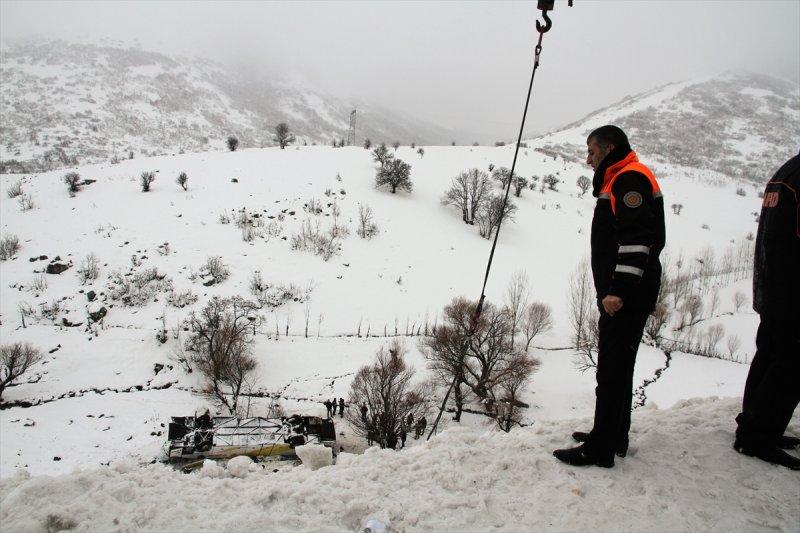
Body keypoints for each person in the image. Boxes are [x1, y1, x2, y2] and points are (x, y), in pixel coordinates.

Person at [554, 125, 665, 468]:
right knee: (619, 366)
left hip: (625, 295)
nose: (588, 159)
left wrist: (617, 291)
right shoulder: (621, 176)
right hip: (627, 292)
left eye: (591, 151)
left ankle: (600, 448)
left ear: (609, 148)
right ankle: (613, 434)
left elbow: (637, 240)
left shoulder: (628, 179)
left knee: (612, 370)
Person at [734, 152, 800, 470]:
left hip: (774, 287)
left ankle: (753, 425)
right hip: (793, 291)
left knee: (769, 357)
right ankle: (759, 435)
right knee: (789, 366)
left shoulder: (787, 171)